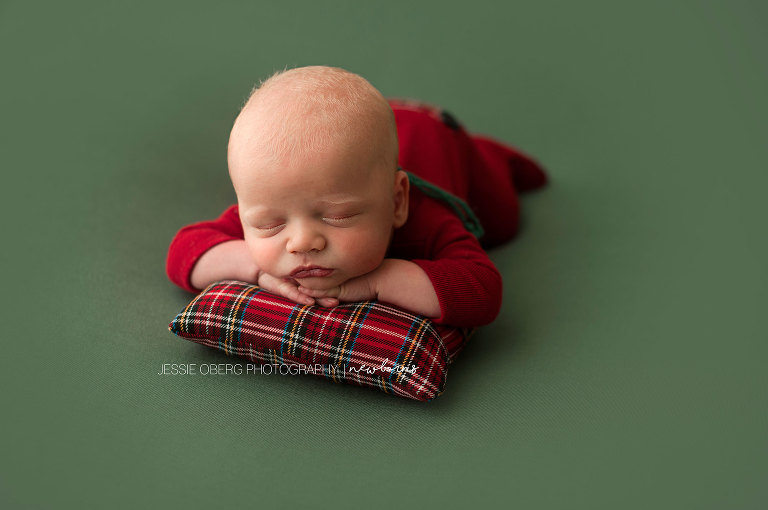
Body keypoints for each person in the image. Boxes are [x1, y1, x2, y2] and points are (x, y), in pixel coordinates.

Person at [166, 66, 547, 328]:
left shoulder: (426, 216)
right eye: (268, 224)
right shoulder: (279, 197)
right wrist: (257, 270)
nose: (302, 242)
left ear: (396, 203)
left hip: (437, 135)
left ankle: (494, 156)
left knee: (502, 221)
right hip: (369, 139)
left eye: (338, 216)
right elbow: (184, 252)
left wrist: (376, 281)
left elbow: (482, 291)